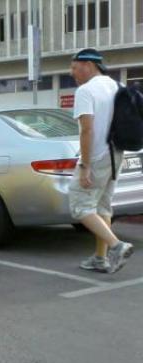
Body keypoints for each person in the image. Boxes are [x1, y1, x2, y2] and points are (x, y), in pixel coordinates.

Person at [69, 48, 134, 274]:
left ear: (88, 65)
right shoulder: (117, 86)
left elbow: (87, 130)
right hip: (116, 154)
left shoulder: (86, 91)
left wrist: (85, 166)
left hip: (96, 156)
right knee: (102, 206)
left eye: (75, 68)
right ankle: (100, 258)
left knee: (79, 206)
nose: (72, 73)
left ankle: (117, 246)